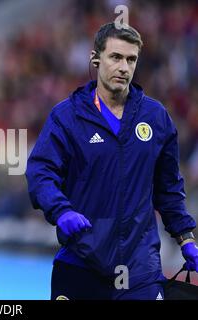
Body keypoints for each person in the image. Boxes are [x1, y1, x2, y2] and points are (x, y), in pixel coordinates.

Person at [26, 22, 198, 300]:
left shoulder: (156, 118)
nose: (124, 67)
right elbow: (40, 173)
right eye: (116, 57)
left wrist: (186, 237)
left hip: (140, 268)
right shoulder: (67, 117)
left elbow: (168, 188)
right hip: (81, 263)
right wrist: (61, 211)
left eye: (131, 59)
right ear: (95, 59)